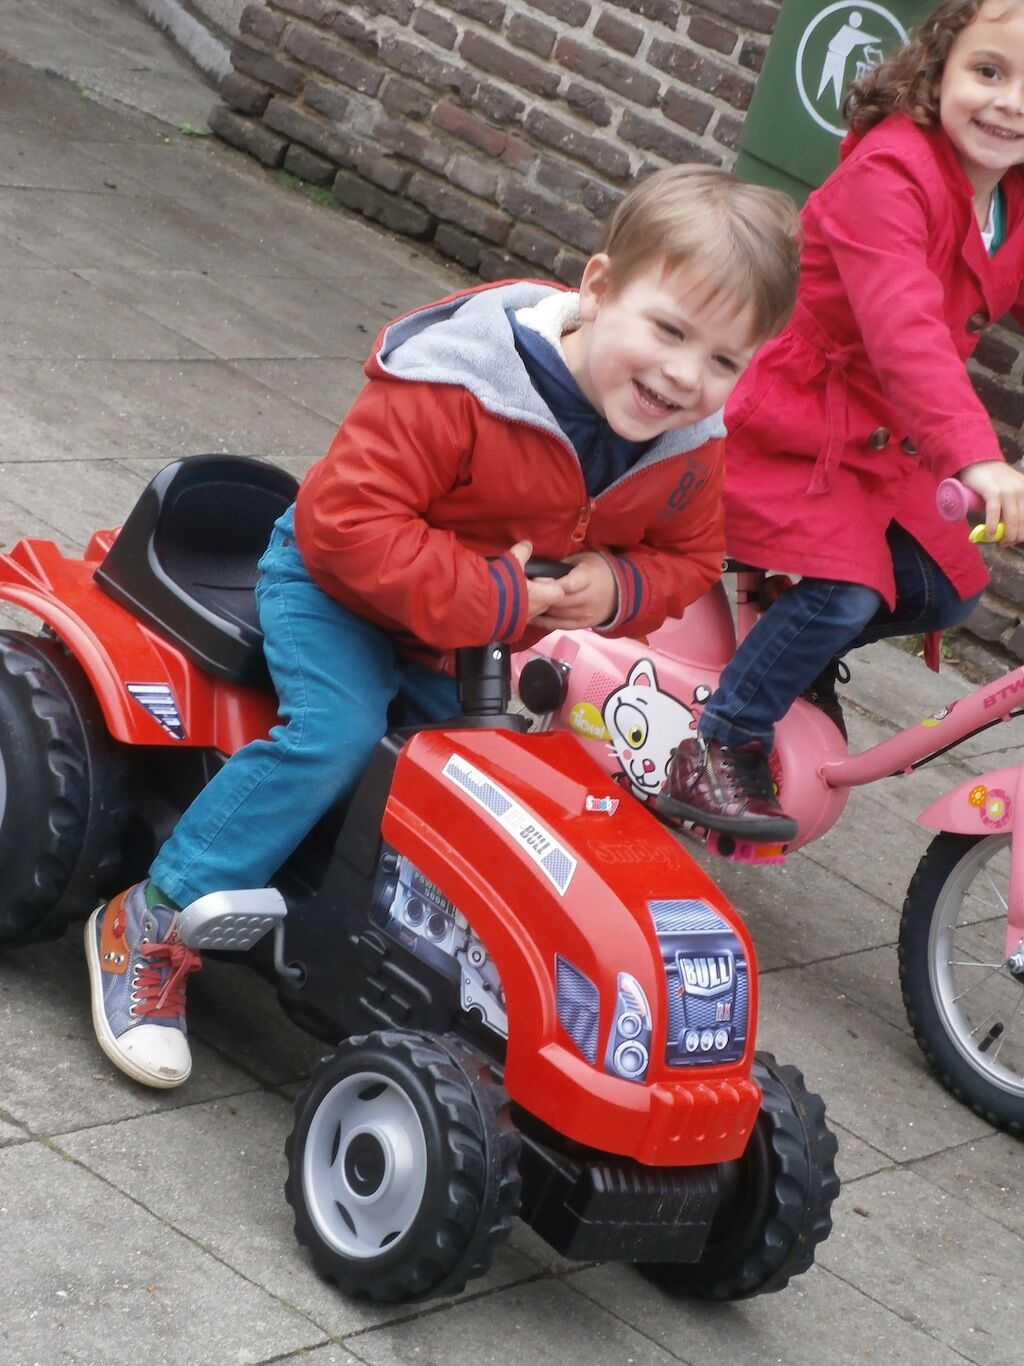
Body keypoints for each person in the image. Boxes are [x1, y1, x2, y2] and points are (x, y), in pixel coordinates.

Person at [84, 165, 802, 1088]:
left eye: (724, 362)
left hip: (465, 633)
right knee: (337, 734)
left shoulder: (689, 448)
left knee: (489, 791)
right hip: (335, 591)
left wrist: (619, 587)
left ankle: (432, 975)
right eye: (668, 330)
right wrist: (496, 599)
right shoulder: (463, 381)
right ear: (598, 287)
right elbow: (346, 525)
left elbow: (692, 559)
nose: (684, 376)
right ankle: (154, 915)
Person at [659, 0, 1024, 844]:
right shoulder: (890, 175)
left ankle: (790, 657)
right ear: (940, 67)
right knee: (846, 591)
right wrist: (975, 457)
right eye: (989, 71)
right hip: (794, 429)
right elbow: (904, 330)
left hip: (882, 447)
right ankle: (719, 740)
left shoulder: (1009, 195)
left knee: (951, 585)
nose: (1010, 103)